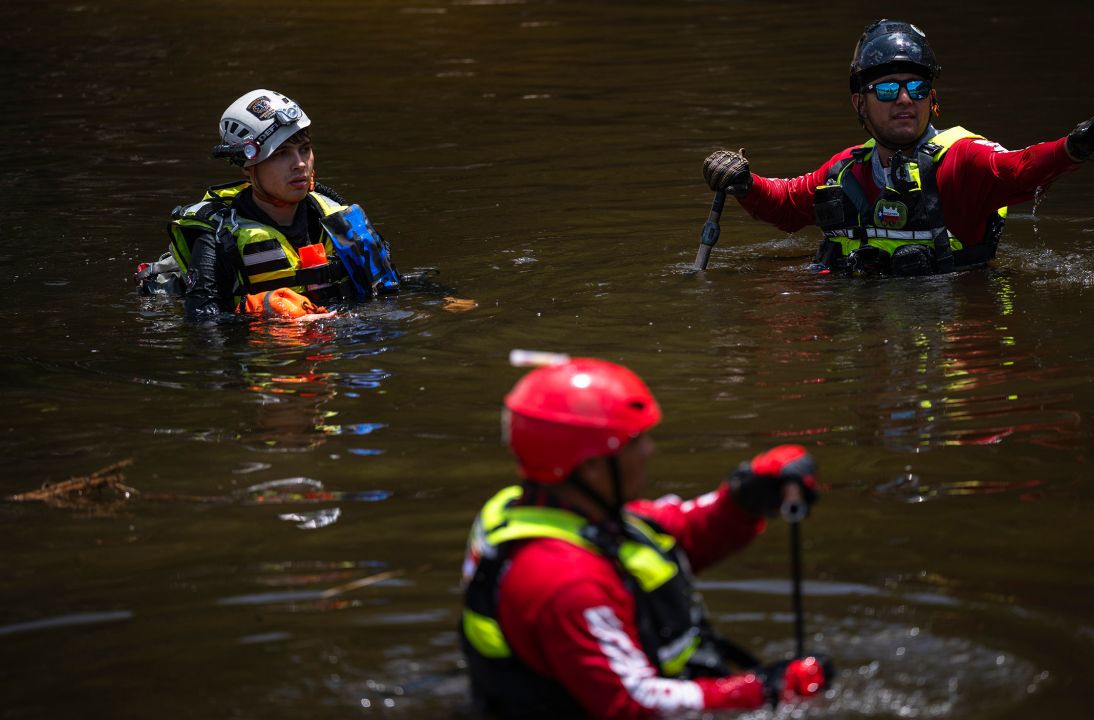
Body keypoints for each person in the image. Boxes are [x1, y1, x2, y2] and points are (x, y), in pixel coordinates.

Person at [460, 355, 831, 718]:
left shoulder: (554, 508)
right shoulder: (565, 581)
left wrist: (745, 499)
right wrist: (765, 688)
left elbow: (677, 533)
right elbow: (632, 703)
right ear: (590, 467)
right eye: (634, 441)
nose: (649, 449)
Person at [702, 19, 1094, 277]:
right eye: (888, 88)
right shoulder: (844, 172)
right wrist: (743, 182)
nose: (905, 98)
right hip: (866, 337)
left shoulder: (964, 160)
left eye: (917, 87)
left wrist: (1074, 147)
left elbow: (1021, 169)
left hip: (950, 328)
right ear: (860, 102)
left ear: (933, 98)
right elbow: (785, 204)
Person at [144, 88, 400, 320]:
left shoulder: (335, 216)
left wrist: (439, 298)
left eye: (304, 149)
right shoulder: (218, 236)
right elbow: (202, 321)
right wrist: (258, 310)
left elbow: (390, 289)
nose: (300, 163)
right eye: (280, 154)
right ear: (248, 167)